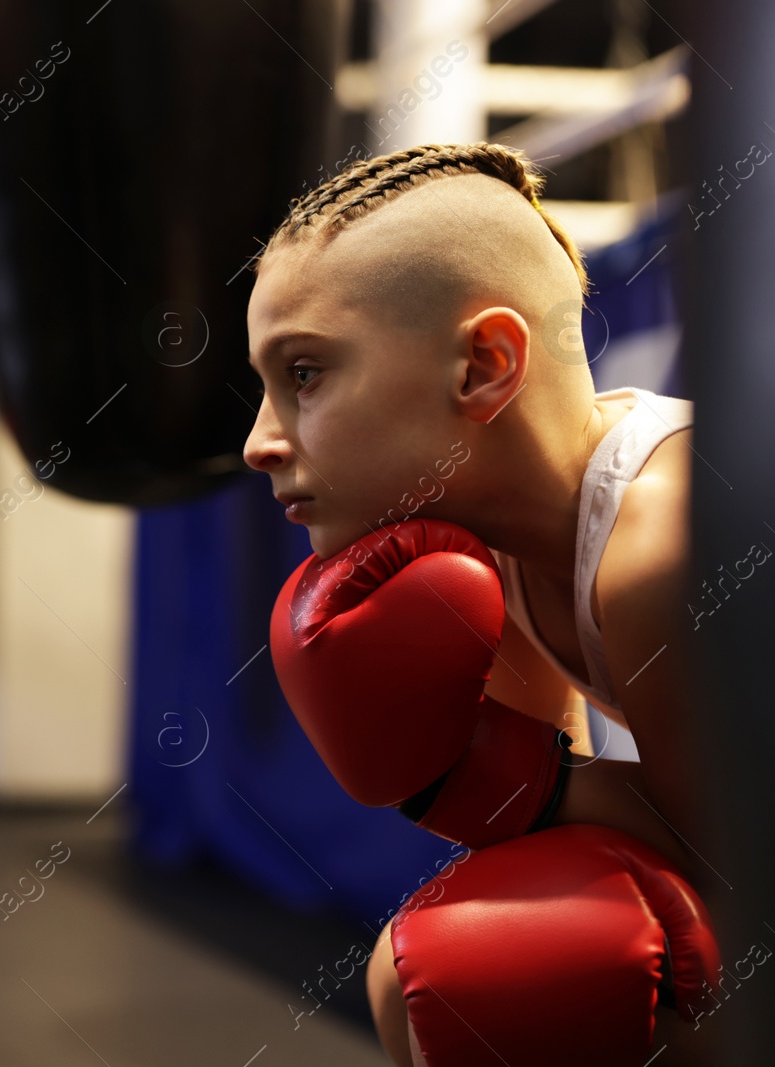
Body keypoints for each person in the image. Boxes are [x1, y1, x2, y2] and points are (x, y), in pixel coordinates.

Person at [242, 143, 713, 1064]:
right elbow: (554, 813)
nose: (261, 441)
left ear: (484, 365)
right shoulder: (490, 540)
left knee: (524, 976)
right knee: (419, 971)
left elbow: (730, 866)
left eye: (303, 374)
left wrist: (471, 774)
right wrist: (509, 779)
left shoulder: (665, 550)